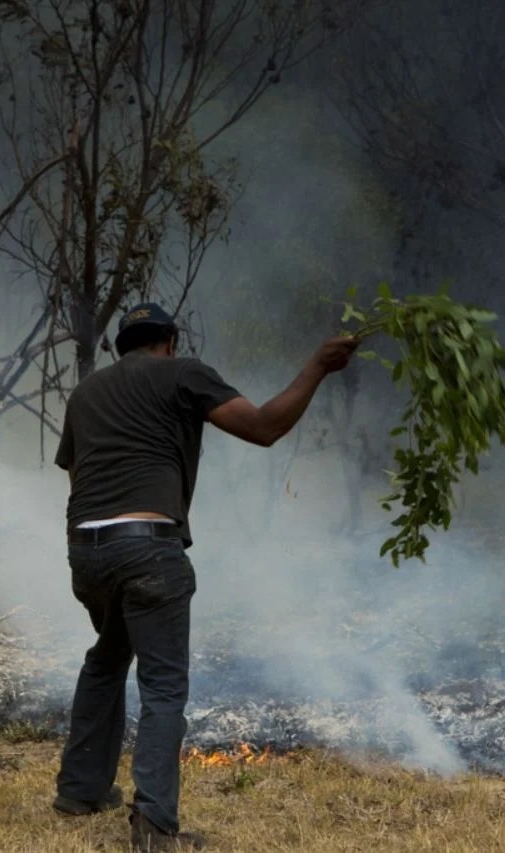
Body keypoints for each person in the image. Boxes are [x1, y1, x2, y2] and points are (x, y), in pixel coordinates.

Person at [51, 302, 358, 850]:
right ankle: (154, 826)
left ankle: (81, 790)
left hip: (87, 549)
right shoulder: (182, 372)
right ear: (169, 340)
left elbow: (80, 477)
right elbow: (264, 428)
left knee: (108, 654)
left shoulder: (86, 393)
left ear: (123, 346)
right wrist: (317, 367)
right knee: (164, 684)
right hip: (148, 549)